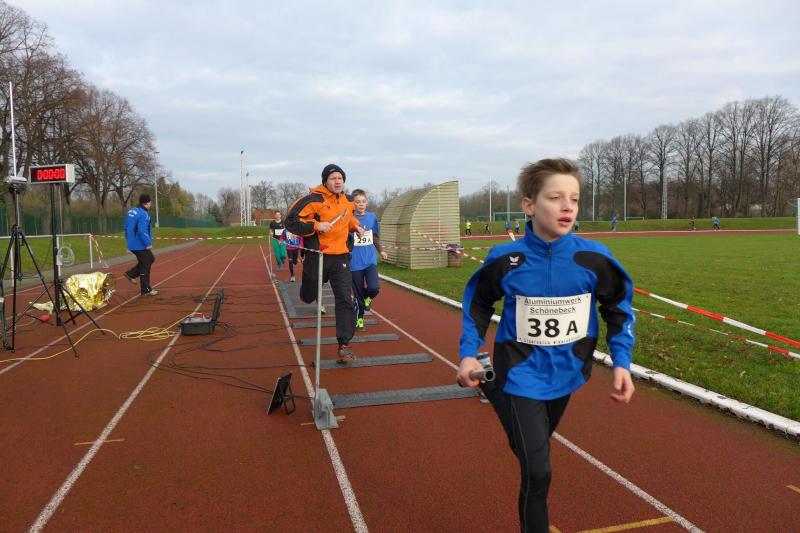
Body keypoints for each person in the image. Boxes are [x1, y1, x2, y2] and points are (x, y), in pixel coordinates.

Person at [457, 158, 635, 532]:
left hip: (568, 373)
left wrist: (622, 362)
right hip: (520, 371)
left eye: (574, 198)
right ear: (529, 205)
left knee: (528, 446)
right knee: (537, 471)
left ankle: (490, 385)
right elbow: (478, 303)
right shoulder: (505, 259)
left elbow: (618, 308)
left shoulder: (594, 258)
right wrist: (468, 352)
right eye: (555, 198)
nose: (567, 207)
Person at [286, 164, 364, 363]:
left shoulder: (348, 201)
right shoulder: (313, 200)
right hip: (318, 256)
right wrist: (316, 225)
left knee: (345, 299)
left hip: (341, 257)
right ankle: (306, 293)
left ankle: (344, 345)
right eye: (333, 178)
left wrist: (356, 227)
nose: (337, 181)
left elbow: (349, 218)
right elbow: (291, 222)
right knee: (309, 294)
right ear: (325, 181)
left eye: (340, 178)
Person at [350, 189, 388, 331]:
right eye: (357, 202)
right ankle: (359, 318)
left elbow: (375, 237)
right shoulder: (349, 219)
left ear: (366, 202)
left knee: (374, 288)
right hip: (354, 263)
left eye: (363, 201)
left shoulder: (372, 217)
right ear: (353, 204)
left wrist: (381, 250)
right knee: (357, 294)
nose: (361, 204)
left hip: (370, 260)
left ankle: (367, 297)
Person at [123, 194, 158, 295]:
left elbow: (126, 227)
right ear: (147, 203)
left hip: (132, 242)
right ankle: (145, 289)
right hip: (139, 243)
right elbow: (142, 231)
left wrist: (128, 242)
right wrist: (148, 243)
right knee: (146, 263)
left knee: (150, 259)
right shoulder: (143, 214)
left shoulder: (131, 211)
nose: (150, 204)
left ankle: (131, 274)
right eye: (150, 202)